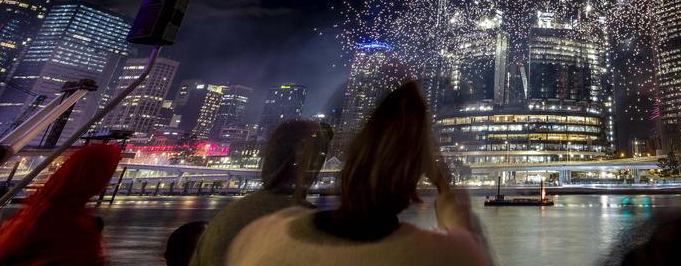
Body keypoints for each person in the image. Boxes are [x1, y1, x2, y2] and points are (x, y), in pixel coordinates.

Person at [226, 81, 491, 266]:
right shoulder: (443, 255)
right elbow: (468, 250)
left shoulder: (260, 236)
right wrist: (447, 194)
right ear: (413, 175)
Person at [189, 119, 332, 266]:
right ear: (300, 157)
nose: (318, 166)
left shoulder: (223, 219)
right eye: (318, 156)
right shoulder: (309, 223)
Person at [0, 142, 122, 266]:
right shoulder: (74, 229)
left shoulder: (34, 213)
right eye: (109, 174)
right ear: (94, 177)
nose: (108, 181)